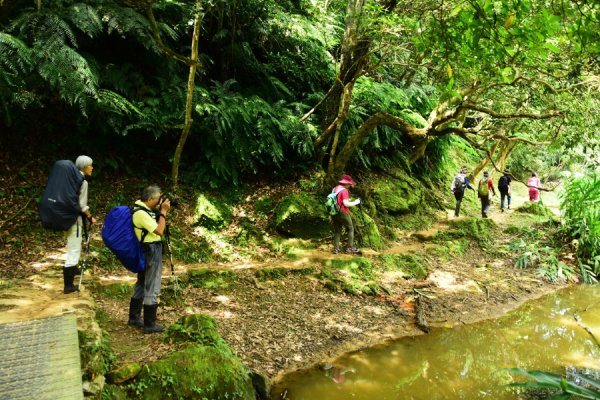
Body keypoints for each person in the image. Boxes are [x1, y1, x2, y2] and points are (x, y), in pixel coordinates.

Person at [128, 186, 171, 334]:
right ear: (150, 199)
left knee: (142, 282)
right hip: (151, 249)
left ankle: (134, 318)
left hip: (147, 248)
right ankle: (149, 324)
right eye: (158, 198)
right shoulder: (141, 213)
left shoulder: (144, 210)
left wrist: (160, 212)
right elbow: (159, 231)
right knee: (152, 284)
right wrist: (164, 212)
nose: (160, 200)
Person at [63, 155, 96, 294]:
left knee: (72, 244)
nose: (92, 167)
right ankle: (68, 286)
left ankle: (73, 269)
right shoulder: (82, 182)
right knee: (74, 250)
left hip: (64, 217)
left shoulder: (69, 178)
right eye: (90, 165)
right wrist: (90, 217)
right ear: (84, 166)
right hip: (74, 220)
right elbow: (82, 206)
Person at [331, 175, 361, 254]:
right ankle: (350, 248)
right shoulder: (344, 190)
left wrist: (347, 200)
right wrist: (357, 202)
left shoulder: (335, 189)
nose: (350, 186)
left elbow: (337, 200)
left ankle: (336, 249)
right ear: (346, 183)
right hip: (342, 212)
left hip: (333, 212)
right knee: (350, 228)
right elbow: (346, 204)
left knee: (337, 231)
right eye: (350, 184)